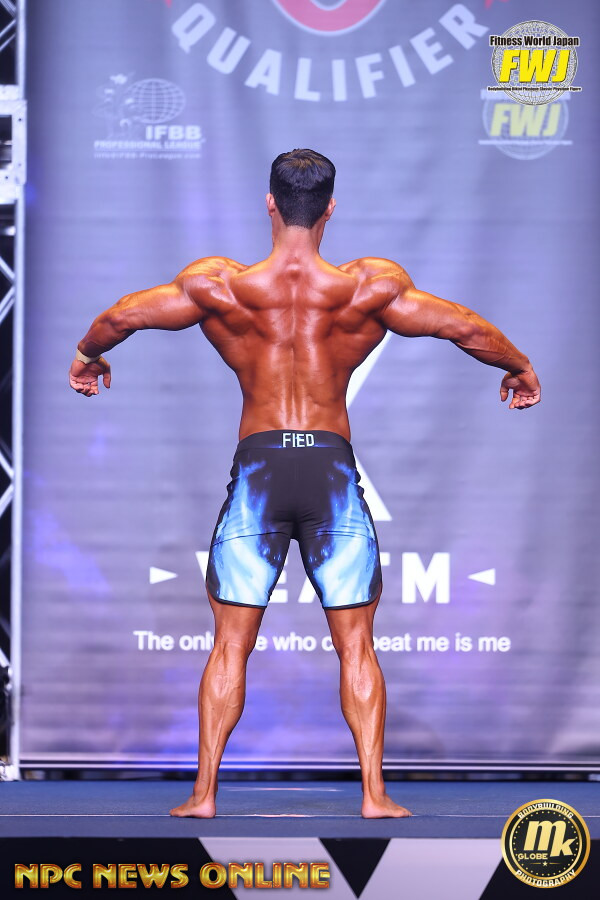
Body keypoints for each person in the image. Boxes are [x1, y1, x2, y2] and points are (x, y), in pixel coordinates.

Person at [69, 149, 541, 818]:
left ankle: (203, 796)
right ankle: (373, 796)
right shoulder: (369, 287)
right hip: (329, 470)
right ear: (330, 208)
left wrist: (88, 356)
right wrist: (518, 366)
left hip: (261, 470)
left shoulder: (218, 286)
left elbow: (121, 317)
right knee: (357, 646)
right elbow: (462, 326)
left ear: (269, 202)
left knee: (230, 644)